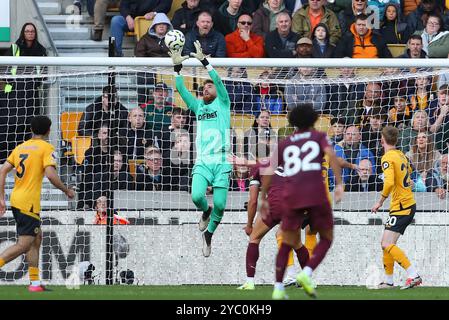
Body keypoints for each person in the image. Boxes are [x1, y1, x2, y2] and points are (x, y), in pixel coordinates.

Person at [260, 103, 343, 299]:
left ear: (292, 122)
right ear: (314, 119)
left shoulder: (285, 143)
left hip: (291, 195)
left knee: (286, 240)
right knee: (327, 237)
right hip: (315, 193)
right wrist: (339, 184)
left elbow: (270, 170)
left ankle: (278, 289)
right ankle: (306, 273)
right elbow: (332, 158)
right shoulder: (319, 137)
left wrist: (263, 196)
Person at [170, 40, 232, 257]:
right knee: (197, 196)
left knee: (222, 205)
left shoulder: (223, 103)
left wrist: (204, 61)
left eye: (209, 86)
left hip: (222, 160)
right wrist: (177, 67)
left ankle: (209, 235)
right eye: (203, 87)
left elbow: (217, 80)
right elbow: (180, 88)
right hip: (204, 159)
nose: (206, 88)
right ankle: (205, 212)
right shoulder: (198, 107)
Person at [0, 116, 75, 292]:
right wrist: (66, 190)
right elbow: (50, 174)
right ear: (49, 130)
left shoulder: (20, 147)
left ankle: (34, 283)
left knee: (36, 239)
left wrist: (1, 198)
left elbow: (3, 170)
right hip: (29, 203)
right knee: (24, 244)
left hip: (17, 199)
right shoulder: (47, 148)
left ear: (31, 130)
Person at [236, 159, 310, 290]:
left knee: (254, 238)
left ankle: (250, 282)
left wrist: (249, 225)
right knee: (297, 244)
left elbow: (253, 201)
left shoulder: (256, 169)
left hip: (275, 204)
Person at [371, 126, 422, 290]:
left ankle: (413, 274)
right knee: (386, 243)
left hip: (402, 206)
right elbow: (410, 173)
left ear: (382, 139)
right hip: (405, 204)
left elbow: (390, 182)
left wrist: (380, 201)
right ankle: (389, 281)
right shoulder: (402, 155)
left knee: (386, 243)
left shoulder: (387, 157)